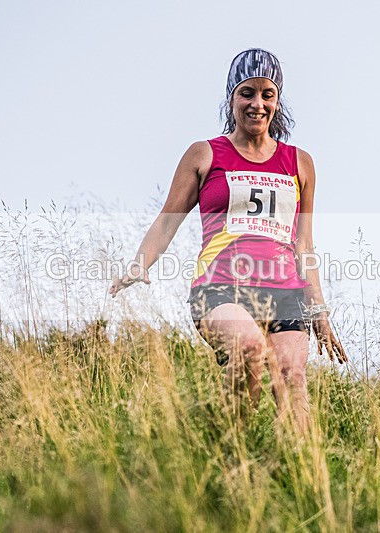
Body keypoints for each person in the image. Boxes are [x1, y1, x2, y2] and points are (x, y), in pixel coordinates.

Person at [109, 48, 347, 435]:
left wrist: (319, 308)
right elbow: (167, 222)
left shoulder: (299, 162)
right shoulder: (205, 154)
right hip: (220, 288)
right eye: (247, 93)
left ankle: (303, 479)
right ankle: (230, 449)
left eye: (267, 94)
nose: (257, 104)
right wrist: (140, 263)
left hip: (287, 292)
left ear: (277, 100)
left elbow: (304, 244)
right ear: (231, 98)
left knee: (292, 378)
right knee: (250, 348)